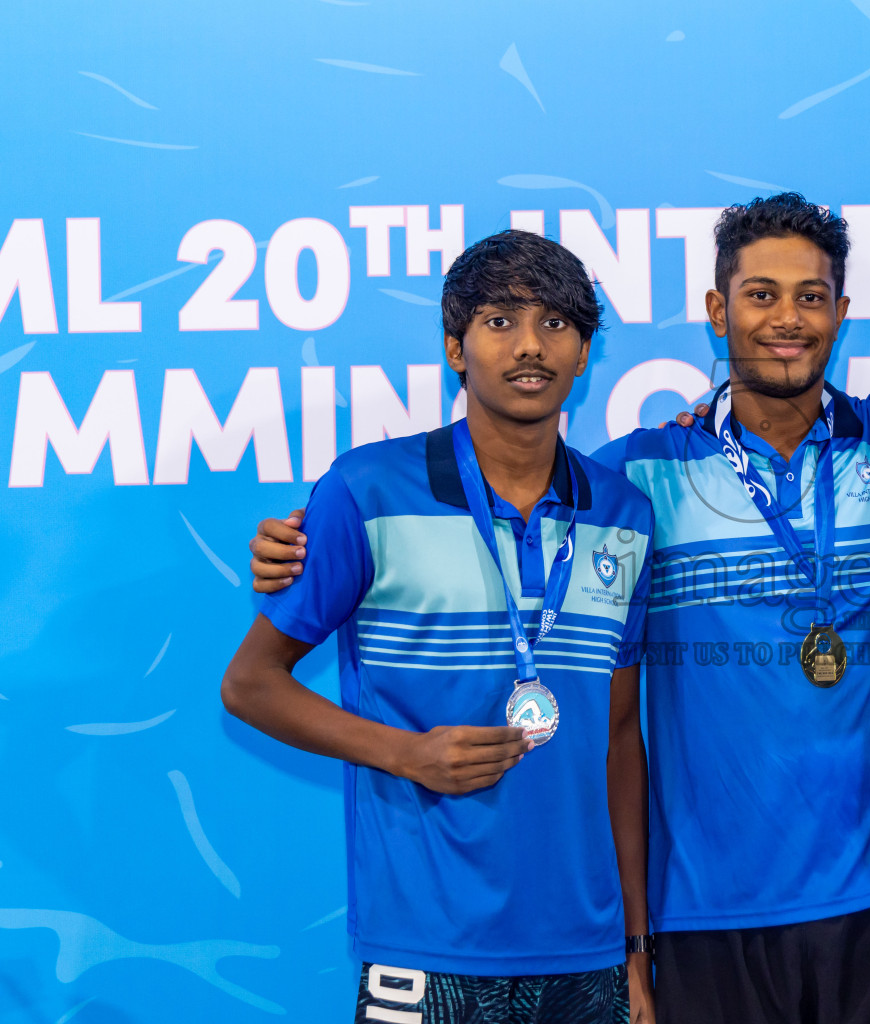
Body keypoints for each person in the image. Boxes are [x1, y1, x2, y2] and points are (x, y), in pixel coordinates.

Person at [249, 195, 870, 1024]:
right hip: (703, 913)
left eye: (811, 296)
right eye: (761, 293)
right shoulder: (638, 479)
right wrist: (297, 547)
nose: (787, 318)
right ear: (716, 312)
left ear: (842, 313)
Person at [221, 230, 656, 1024]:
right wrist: (406, 754)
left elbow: (620, 741)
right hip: (424, 950)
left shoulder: (624, 514)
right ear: (456, 347)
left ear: (585, 351)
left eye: (556, 323)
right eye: (499, 322)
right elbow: (250, 684)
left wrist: (635, 949)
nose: (530, 346)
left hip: (587, 957)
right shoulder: (367, 489)